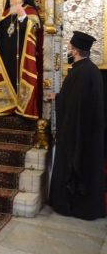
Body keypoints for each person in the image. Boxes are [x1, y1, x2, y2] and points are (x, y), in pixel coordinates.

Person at [48, 31, 105, 220]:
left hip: (77, 133)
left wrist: (63, 130)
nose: (68, 51)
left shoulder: (79, 73)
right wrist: (59, 97)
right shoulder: (91, 70)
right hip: (90, 133)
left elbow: (74, 107)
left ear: (75, 51)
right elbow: (76, 99)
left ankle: (70, 205)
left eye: (70, 48)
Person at [0, 0, 41, 119]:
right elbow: (1, 30)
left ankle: (23, 108)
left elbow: (34, 31)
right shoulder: (6, 12)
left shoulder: (30, 12)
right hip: (6, 56)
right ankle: (7, 106)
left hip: (22, 56)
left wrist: (22, 15)